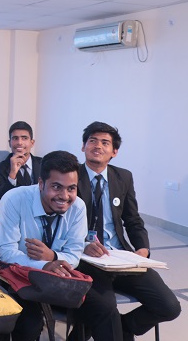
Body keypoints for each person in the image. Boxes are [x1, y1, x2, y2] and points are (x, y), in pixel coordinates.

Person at [75, 122, 181, 340]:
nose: (98, 146)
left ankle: (122, 328)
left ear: (114, 151)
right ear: (83, 146)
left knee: (169, 306)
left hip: (120, 257)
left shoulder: (123, 177)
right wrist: (83, 245)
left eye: (105, 143)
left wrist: (142, 248)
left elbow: (132, 219)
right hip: (86, 258)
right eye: (92, 140)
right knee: (105, 309)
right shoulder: (71, 176)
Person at [0, 150, 87, 341]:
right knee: (30, 324)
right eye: (56, 187)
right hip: (19, 277)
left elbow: (74, 254)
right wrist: (44, 265)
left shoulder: (78, 207)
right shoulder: (14, 199)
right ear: (40, 183)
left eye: (71, 188)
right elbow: (6, 251)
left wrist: (52, 257)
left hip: (58, 278)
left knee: (101, 309)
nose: (64, 196)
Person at [0, 121, 42, 207]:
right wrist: (12, 174)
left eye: (24, 138)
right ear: (9, 143)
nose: (19, 142)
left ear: (32, 143)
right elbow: (0, 203)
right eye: (15, 138)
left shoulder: (44, 164)